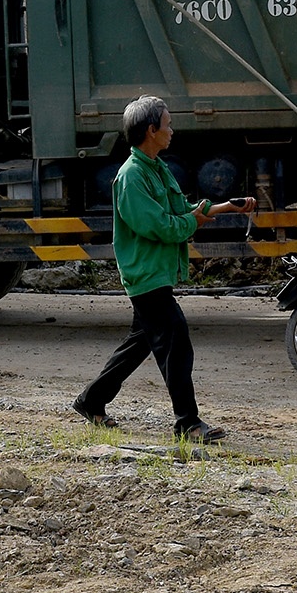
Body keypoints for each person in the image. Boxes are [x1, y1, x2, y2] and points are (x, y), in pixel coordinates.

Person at [72, 95, 253, 437]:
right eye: (167, 124)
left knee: (142, 341)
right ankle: (187, 422)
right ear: (151, 130)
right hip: (145, 273)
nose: (172, 130)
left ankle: (91, 400)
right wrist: (192, 223)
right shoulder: (131, 177)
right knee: (176, 340)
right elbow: (159, 225)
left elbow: (182, 208)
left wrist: (226, 207)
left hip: (157, 271)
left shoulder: (157, 167)